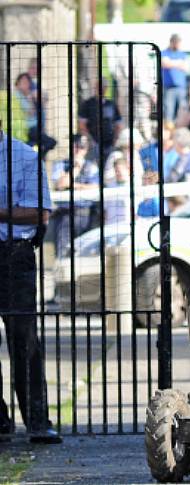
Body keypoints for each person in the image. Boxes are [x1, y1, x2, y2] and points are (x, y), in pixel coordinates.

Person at [0, 120, 61, 443]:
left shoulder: (22, 156)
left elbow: (40, 213)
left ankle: (37, 419)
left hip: (13, 253)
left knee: (23, 340)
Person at [79, 80, 124, 153]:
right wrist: (89, 140)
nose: (101, 89)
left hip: (110, 144)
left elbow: (119, 124)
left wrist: (115, 139)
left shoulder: (112, 104)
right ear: (95, 88)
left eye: (104, 87)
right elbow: (82, 125)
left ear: (106, 89)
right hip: (93, 145)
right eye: (99, 87)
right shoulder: (87, 104)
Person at [161, 34, 189, 123]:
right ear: (172, 42)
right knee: (169, 110)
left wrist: (171, 63)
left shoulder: (182, 54)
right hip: (169, 87)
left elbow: (185, 67)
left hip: (181, 87)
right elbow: (165, 64)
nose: (178, 45)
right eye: (176, 42)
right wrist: (178, 63)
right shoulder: (164, 52)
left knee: (182, 110)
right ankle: (169, 131)